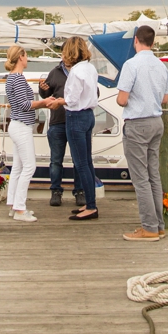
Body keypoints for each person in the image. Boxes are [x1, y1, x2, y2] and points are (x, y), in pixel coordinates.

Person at [116, 24, 168, 241]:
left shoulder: (131, 65)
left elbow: (122, 99)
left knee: (140, 179)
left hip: (137, 124)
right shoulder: (161, 66)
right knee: (153, 176)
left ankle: (149, 228)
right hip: (156, 121)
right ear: (153, 42)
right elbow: (165, 99)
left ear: (135, 40)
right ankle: (159, 225)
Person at [3, 44, 58, 222]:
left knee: (18, 167)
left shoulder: (12, 78)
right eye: (26, 55)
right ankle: (19, 208)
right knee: (29, 167)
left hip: (17, 125)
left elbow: (21, 102)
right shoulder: (17, 79)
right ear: (21, 57)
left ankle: (13, 204)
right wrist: (44, 102)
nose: (28, 58)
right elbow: (25, 105)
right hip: (21, 126)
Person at [58, 36, 101, 221]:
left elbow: (72, 99)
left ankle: (91, 206)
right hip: (89, 115)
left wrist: (58, 101)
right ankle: (90, 201)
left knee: (80, 163)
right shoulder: (90, 68)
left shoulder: (75, 72)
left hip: (75, 116)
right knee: (87, 162)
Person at [38, 38, 84, 208]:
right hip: (57, 121)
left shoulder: (82, 71)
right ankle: (56, 191)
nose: (64, 56)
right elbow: (47, 95)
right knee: (56, 160)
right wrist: (43, 89)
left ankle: (79, 191)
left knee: (78, 160)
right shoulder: (55, 72)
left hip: (77, 120)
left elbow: (93, 92)